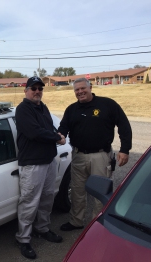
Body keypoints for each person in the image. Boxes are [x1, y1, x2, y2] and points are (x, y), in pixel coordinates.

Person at [58, 77, 132, 231]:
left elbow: (124, 125)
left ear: (90, 87)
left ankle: (97, 225)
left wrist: (125, 149)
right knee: (77, 191)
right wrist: (60, 136)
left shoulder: (107, 104)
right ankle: (76, 221)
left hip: (101, 156)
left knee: (100, 192)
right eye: (77, 90)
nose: (80, 92)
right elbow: (63, 128)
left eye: (82, 88)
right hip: (78, 156)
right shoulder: (72, 109)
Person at [15, 76, 65, 259]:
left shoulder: (42, 107)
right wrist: (56, 138)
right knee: (29, 202)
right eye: (33, 88)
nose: (37, 91)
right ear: (26, 90)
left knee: (47, 199)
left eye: (40, 88)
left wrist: (56, 133)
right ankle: (23, 239)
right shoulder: (22, 110)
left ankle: (42, 229)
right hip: (32, 164)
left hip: (49, 160)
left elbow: (48, 128)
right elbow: (34, 132)